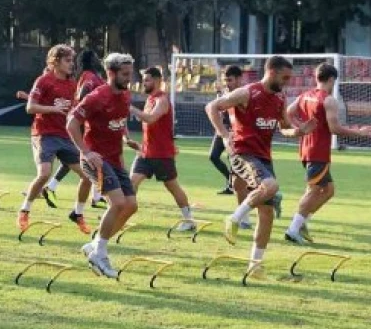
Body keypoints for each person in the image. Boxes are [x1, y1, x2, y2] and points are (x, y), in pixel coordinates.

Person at [205, 56, 313, 277]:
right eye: (285, 77)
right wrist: (224, 135)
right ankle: (234, 218)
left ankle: (255, 265)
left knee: (267, 213)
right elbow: (212, 107)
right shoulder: (247, 92)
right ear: (271, 72)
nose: (287, 82)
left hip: (263, 157)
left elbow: (284, 128)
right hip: (242, 153)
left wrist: (299, 131)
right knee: (271, 185)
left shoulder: (279, 99)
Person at [283, 63, 371, 245]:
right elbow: (334, 128)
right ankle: (293, 229)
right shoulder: (328, 100)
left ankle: (301, 223)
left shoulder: (304, 96)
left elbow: (287, 113)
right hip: (318, 151)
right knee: (315, 190)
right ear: (332, 79)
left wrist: (299, 128)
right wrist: (360, 133)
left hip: (306, 149)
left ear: (317, 77)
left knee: (328, 190)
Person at [72, 53, 139, 277]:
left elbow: (120, 121)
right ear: (111, 73)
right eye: (125, 74)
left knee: (131, 206)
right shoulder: (97, 96)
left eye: (130, 73)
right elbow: (71, 123)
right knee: (118, 203)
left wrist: (127, 138)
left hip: (115, 159)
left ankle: (95, 245)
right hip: (95, 159)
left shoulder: (126, 95)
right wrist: (86, 151)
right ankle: (99, 254)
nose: (129, 78)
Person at [19, 44, 92, 235]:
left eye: (72, 61)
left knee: (88, 176)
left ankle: (78, 213)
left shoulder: (72, 83)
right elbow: (30, 107)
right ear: (55, 61)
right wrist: (52, 109)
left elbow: (75, 109)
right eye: (67, 61)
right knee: (44, 174)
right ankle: (25, 210)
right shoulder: (44, 81)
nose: (71, 65)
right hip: (44, 134)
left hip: (65, 136)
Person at [129, 66, 195, 231]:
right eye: (143, 80)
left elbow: (151, 119)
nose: (144, 83)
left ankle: (189, 220)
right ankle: (121, 214)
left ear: (158, 81)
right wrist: (138, 145)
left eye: (147, 80)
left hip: (161, 154)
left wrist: (129, 107)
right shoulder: (150, 99)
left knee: (172, 186)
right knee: (131, 182)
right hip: (145, 152)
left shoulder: (162, 100)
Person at [45, 49, 105, 208]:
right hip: (87, 126)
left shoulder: (87, 76)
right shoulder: (90, 77)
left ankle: (51, 186)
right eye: (96, 57)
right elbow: (85, 92)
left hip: (84, 124)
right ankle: (95, 197)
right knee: (93, 159)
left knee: (74, 159)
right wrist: (82, 109)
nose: (99, 60)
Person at [211, 65, 243, 196]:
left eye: (230, 80)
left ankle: (233, 186)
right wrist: (219, 94)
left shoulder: (243, 94)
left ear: (238, 79)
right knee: (213, 157)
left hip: (234, 132)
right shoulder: (226, 93)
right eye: (226, 80)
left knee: (233, 161)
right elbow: (217, 108)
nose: (227, 83)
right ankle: (229, 181)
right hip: (222, 130)